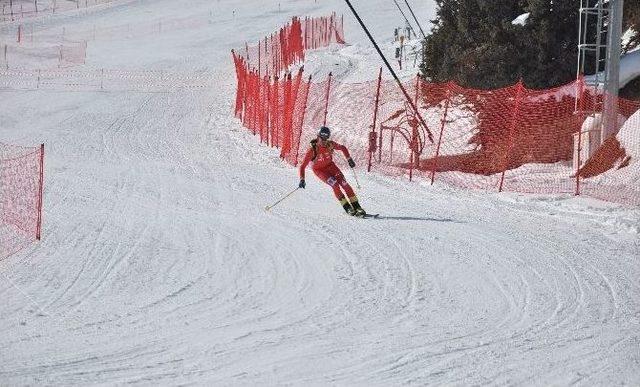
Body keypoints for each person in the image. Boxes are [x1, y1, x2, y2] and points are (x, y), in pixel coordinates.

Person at [298, 126, 366, 216]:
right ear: (318, 137)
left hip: (331, 166)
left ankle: (357, 206)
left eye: (326, 138)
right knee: (335, 184)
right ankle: (347, 207)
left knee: (344, 183)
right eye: (322, 138)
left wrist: (349, 159)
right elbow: (302, 166)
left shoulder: (330, 144)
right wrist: (302, 179)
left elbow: (343, 147)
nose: (324, 140)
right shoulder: (312, 150)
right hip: (320, 171)